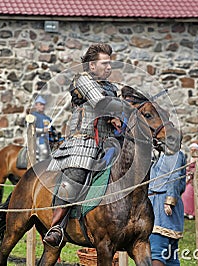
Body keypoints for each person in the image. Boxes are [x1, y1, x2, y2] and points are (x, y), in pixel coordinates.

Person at [43, 43, 132, 247]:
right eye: (105, 63)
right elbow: (100, 103)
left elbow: (117, 109)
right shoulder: (82, 80)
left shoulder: (111, 87)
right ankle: (57, 226)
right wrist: (119, 112)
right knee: (75, 175)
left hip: (110, 143)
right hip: (84, 141)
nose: (109, 67)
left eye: (110, 63)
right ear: (92, 66)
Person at [149, 149, 186, 266]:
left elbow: (174, 177)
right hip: (161, 206)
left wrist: (169, 201)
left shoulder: (174, 154)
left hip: (162, 209)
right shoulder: (162, 154)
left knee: (157, 252)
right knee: (170, 256)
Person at [182, 142, 198, 220]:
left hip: (194, 179)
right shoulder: (190, 158)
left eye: (194, 150)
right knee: (185, 195)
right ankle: (186, 211)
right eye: (191, 150)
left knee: (191, 195)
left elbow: (197, 168)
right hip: (188, 177)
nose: (192, 151)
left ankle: (192, 213)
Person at [30, 95, 52, 161]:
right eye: (41, 104)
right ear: (36, 105)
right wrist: (42, 130)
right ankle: (40, 169)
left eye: (43, 104)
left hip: (48, 140)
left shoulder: (47, 118)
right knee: (44, 152)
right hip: (38, 140)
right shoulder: (33, 116)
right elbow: (31, 129)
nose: (42, 106)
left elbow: (50, 130)